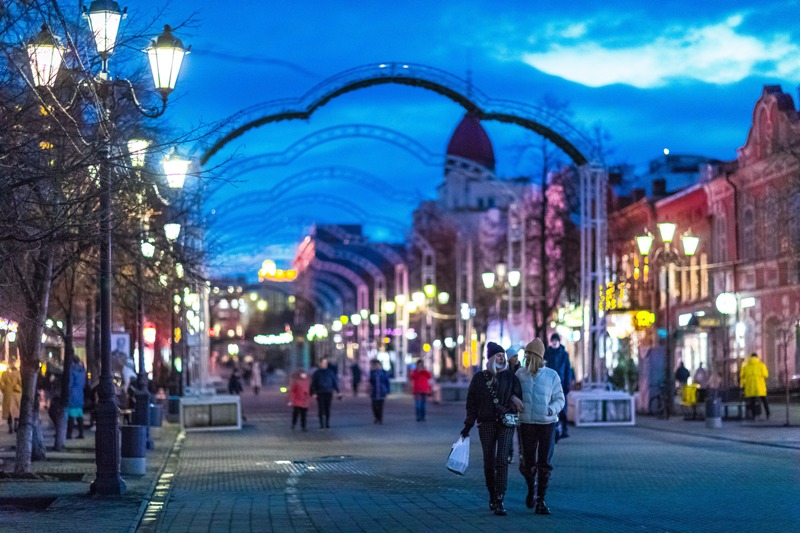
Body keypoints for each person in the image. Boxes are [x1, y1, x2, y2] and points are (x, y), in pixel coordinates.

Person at [461, 342, 523, 516]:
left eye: (503, 355)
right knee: (489, 461)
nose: (502, 357)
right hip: (486, 423)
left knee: (502, 460)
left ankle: (500, 498)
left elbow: (519, 398)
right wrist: (468, 424)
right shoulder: (479, 378)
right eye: (498, 355)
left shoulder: (511, 377)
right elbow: (471, 403)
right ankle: (492, 494)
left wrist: (510, 404)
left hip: (506, 423)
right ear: (490, 359)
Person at [517, 338, 566, 515]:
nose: (527, 357)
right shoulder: (520, 374)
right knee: (528, 462)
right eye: (526, 354)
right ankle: (531, 489)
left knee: (544, 462)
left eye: (530, 354)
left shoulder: (551, 375)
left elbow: (560, 399)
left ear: (537, 356)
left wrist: (551, 410)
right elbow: (512, 394)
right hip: (526, 424)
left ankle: (541, 500)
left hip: (547, 424)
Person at [543, 333, 572, 440]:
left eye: (556, 340)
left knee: (563, 408)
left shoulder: (564, 354)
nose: (554, 342)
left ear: (559, 342)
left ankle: (563, 428)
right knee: (552, 407)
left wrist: (567, 384)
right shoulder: (547, 353)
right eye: (553, 340)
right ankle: (554, 429)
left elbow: (568, 369)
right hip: (550, 385)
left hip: (562, 384)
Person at [310, 357, 341, 429]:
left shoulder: (330, 372)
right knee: (321, 408)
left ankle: (327, 423)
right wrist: (313, 392)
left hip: (328, 392)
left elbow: (334, 382)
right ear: (320, 363)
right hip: (320, 392)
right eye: (323, 363)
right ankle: (321, 424)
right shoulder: (317, 373)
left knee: (327, 408)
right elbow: (313, 384)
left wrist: (338, 392)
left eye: (325, 363)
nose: (324, 364)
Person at [505, 345, 522, 464]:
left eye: (517, 355)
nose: (516, 358)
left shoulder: (522, 370)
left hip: (520, 407)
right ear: (509, 358)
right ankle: (509, 454)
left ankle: (522, 453)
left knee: (521, 433)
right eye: (513, 356)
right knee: (509, 433)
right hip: (510, 407)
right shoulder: (505, 372)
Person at [740, 353, 770, 420]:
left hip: (750, 387)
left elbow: (742, 376)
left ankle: (754, 416)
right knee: (764, 400)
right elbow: (766, 375)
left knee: (752, 402)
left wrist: (743, 385)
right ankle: (768, 414)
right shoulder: (761, 365)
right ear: (757, 357)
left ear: (751, 357)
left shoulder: (746, 366)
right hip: (760, 387)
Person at [67, 357, 87, 439]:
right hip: (80, 395)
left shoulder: (72, 371)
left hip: (73, 395)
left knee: (71, 415)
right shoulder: (82, 371)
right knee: (79, 415)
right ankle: (81, 433)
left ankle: (69, 434)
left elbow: (70, 384)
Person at [1, 360, 22, 434]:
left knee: (16, 411)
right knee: (9, 412)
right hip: (9, 394)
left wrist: (16, 387)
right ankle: (10, 427)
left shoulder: (18, 373)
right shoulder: (5, 373)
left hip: (15, 394)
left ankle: (15, 426)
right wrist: (5, 389)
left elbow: (21, 383)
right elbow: (1, 383)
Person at [368, 359, 390, 424]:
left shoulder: (384, 373)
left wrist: (387, 390)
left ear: (380, 365)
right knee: (374, 406)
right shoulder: (372, 373)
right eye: (376, 365)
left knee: (380, 406)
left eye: (378, 365)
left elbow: (387, 382)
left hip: (381, 392)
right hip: (374, 392)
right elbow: (370, 382)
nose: (377, 366)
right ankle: (376, 417)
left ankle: (380, 418)